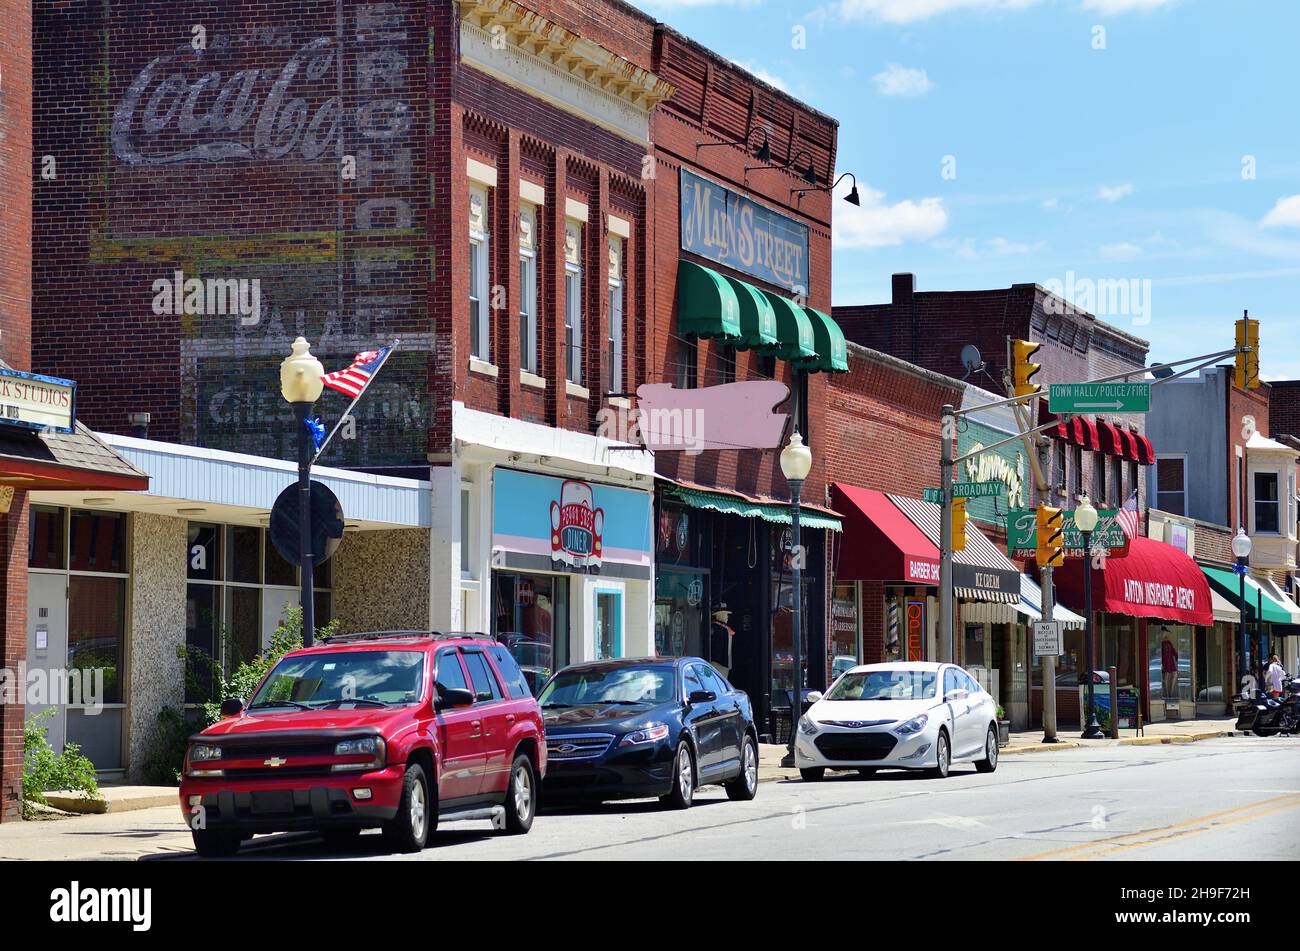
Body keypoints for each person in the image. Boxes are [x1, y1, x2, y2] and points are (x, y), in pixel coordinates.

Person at [709, 606, 735, 678]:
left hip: (724, 662)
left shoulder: (725, 628)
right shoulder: (715, 628)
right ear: (719, 615)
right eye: (725, 614)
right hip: (718, 662)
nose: (727, 617)